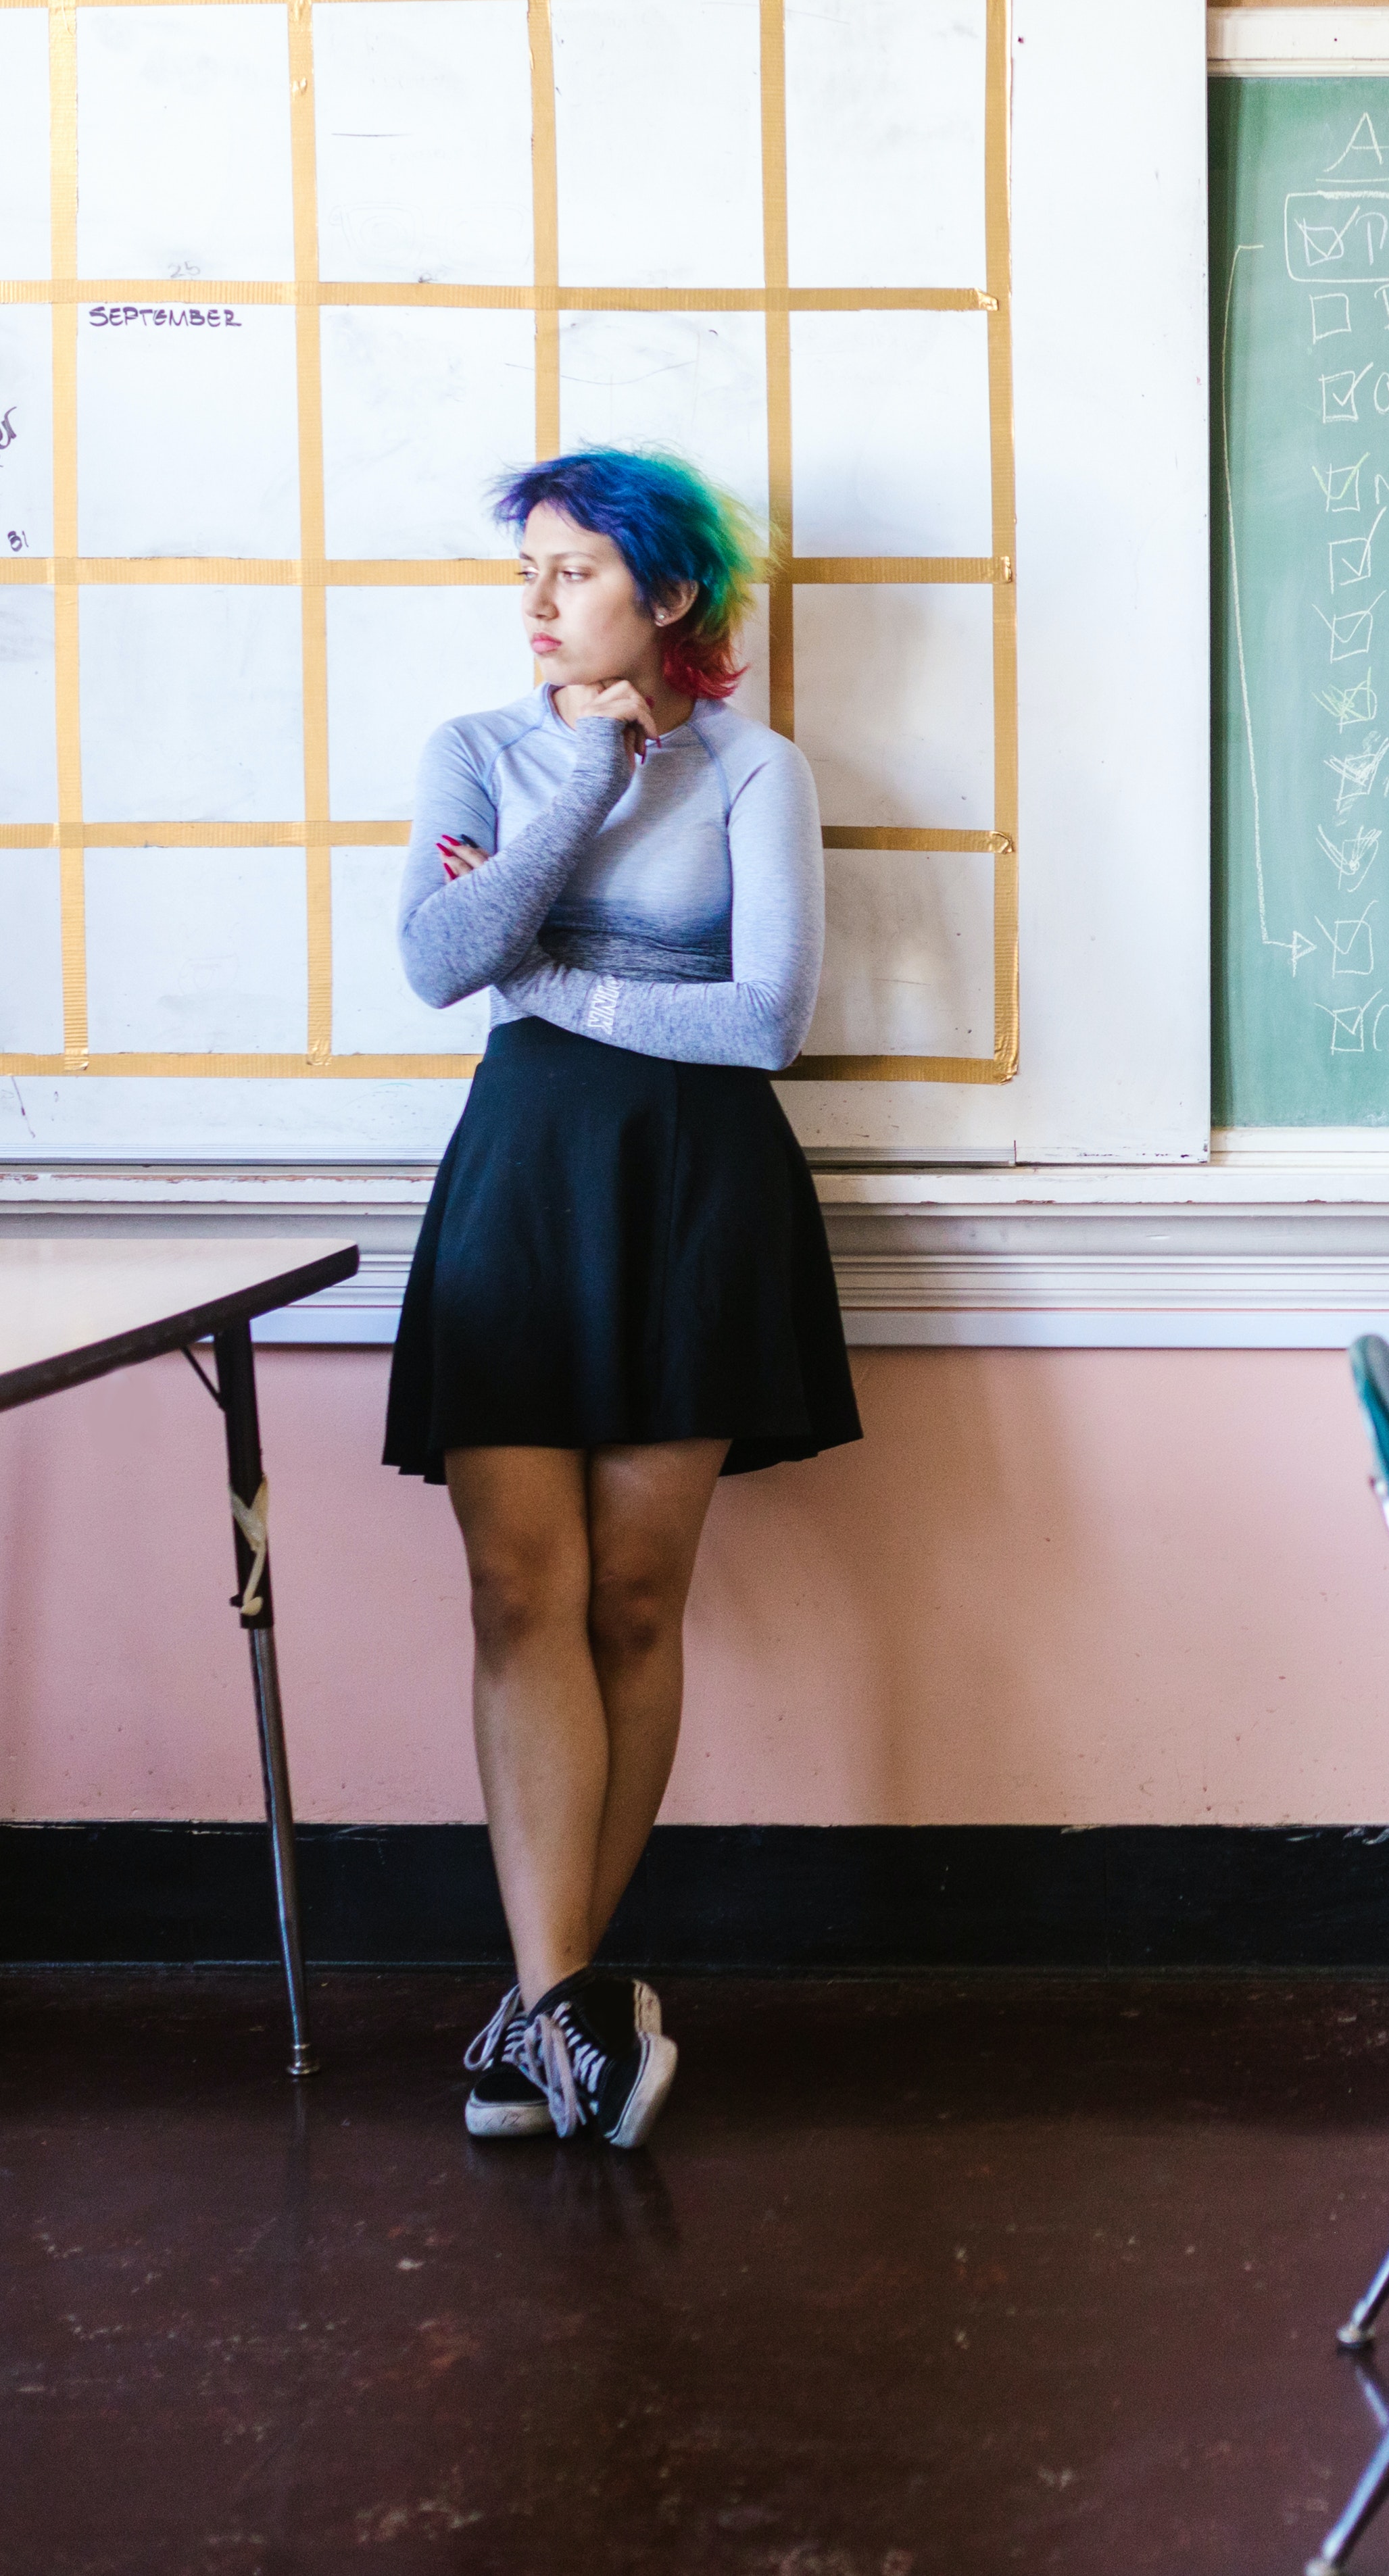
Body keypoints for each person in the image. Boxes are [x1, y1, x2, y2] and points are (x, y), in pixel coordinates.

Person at [385, 445, 860, 2150]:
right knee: (522, 1591)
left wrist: (556, 978)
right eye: (526, 567)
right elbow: (443, 964)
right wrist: (579, 783)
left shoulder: (757, 770)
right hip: (522, 1189)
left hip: (692, 1194)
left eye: (573, 570)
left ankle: (544, 2011)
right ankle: (575, 2003)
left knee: (636, 1601)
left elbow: (762, 1024)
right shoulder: (482, 752)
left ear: (667, 598)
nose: (534, 601)